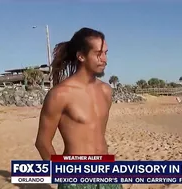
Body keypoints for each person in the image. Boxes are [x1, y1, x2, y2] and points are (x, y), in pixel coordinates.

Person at [34, 27, 122, 189]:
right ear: (81, 56)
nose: (104, 59)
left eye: (106, 53)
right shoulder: (60, 94)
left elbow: (96, 133)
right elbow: (43, 142)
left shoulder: (106, 91)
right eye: (98, 54)